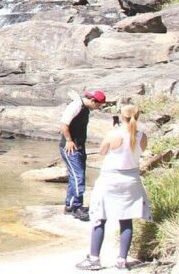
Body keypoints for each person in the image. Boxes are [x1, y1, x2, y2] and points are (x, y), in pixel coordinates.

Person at [76, 104, 151, 271]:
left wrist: (113, 132)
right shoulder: (142, 136)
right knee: (126, 220)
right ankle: (122, 261)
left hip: (110, 179)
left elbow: (102, 151)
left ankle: (94, 259)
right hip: (131, 180)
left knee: (100, 217)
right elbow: (140, 150)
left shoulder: (114, 134)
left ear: (122, 116)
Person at [61, 90, 107, 221]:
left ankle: (70, 206)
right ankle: (76, 207)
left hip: (79, 146)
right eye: (98, 105)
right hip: (70, 148)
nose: (98, 108)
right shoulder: (75, 106)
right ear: (93, 101)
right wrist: (69, 141)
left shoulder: (85, 108)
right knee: (78, 177)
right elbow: (64, 124)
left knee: (75, 176)